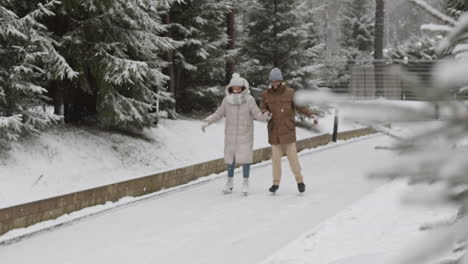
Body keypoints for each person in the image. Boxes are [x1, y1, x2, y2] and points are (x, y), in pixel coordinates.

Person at [202, 73, 271, 195]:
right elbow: (218, 113)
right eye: (234, 88)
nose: (236, 90)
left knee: (245, 159)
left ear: (243, 88)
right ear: (230, 88)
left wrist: (265, 116)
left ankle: (245, 182)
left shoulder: (249, 100)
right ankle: (229, 182)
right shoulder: (226, 100)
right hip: (230, 134)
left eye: (238, 88)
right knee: (230, 159)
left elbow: (257, 114)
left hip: (245, 134)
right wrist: (208, 121)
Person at [261, 68, 318, 194]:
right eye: (272, 81)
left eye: (276, 81)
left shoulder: (290, 92)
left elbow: (301, 106)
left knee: (293, 160)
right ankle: (275, 184)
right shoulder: (266, 94)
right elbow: (263, 108)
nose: (274, 83)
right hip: (274, 133)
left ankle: (300, 181)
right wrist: (265, 114)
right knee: (275, 161)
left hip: (288, 132)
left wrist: (311, 114)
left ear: (281, 81)